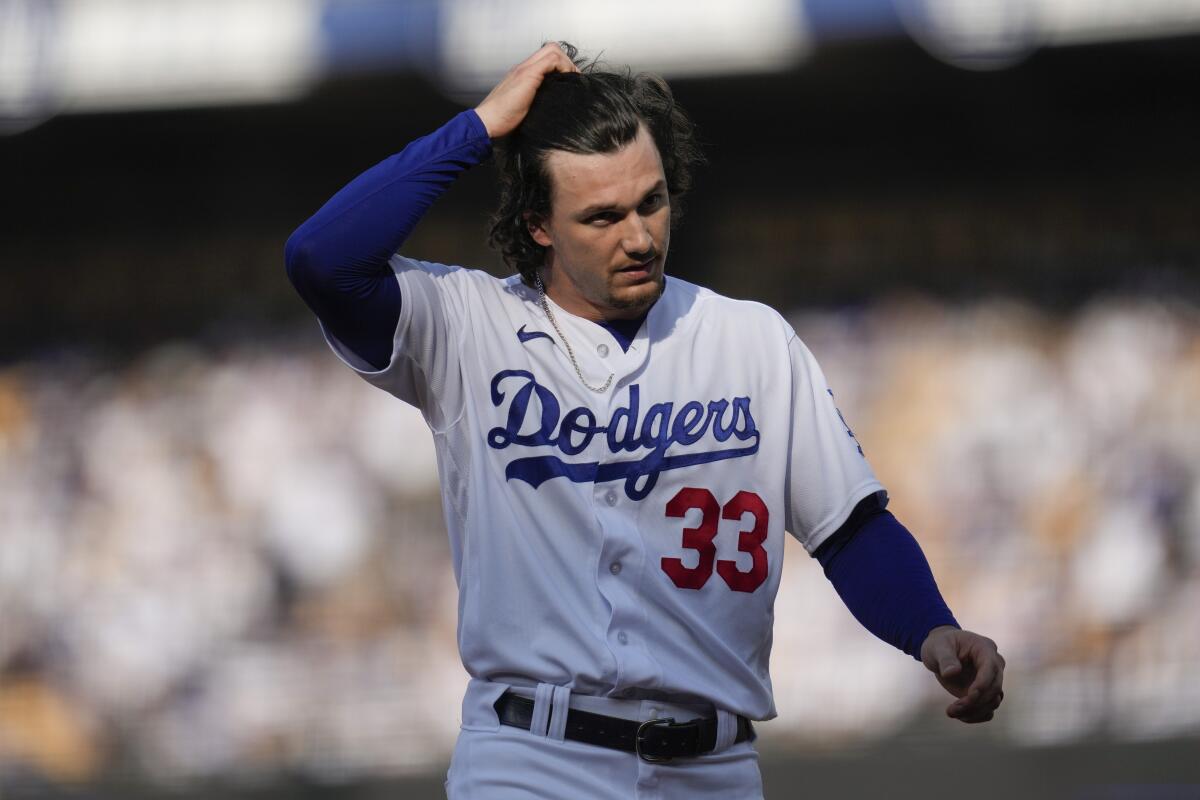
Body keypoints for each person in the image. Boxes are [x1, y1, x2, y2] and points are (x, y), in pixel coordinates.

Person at [285, 42, 1004, 800]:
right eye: (601, 215)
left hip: (713, 767)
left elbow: (849, 527)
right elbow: (321, 259)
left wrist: (932, 628)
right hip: (533, 762)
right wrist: (479, 127)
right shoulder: (464, 327)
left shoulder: (749, 339)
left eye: (651, 202)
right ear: (537, 222)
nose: (638, 236)